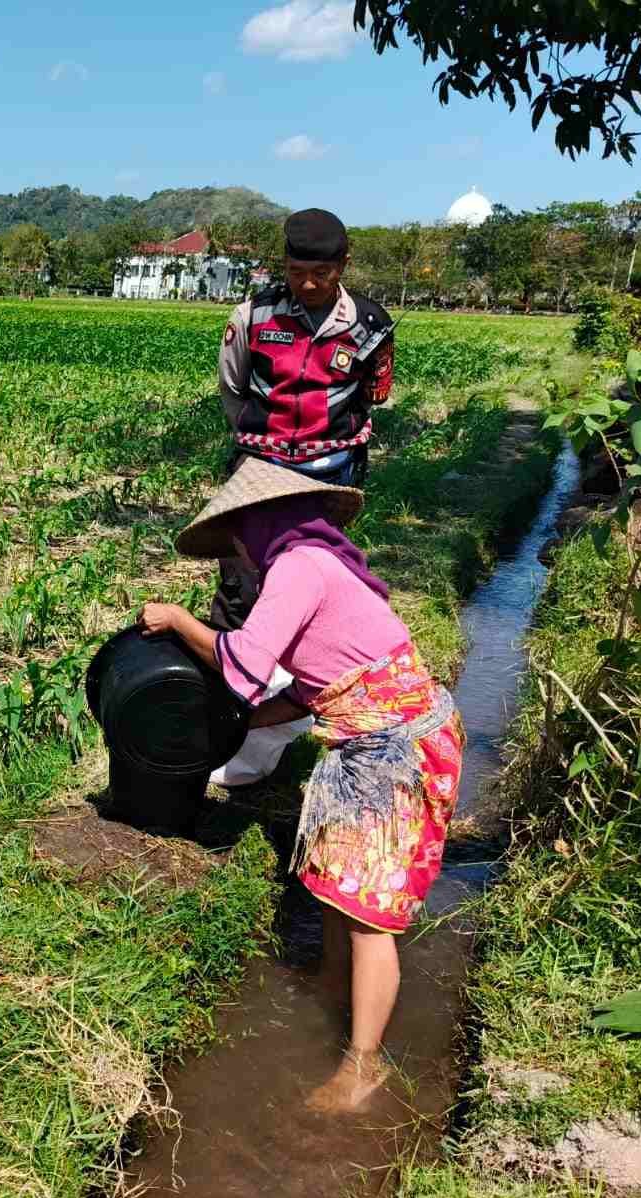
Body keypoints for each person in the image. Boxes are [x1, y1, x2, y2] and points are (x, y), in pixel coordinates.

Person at [139, 456, 464, 1113]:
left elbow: (243, 665)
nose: (235, 553)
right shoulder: (317, 561)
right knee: (338, 887)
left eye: (236, 537)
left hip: (398, 751)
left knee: (370, 911)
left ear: (259, 523)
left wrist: (177, 620)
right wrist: (243, 724)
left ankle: (362, 1069)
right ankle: (330, 991)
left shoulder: (296, 568)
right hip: (368, 739)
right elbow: (316, 684)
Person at [207, 208, 399, 783]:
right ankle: (230, 722)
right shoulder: (253, 315)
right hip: (261, 475)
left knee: (311, 593)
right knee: (241, 591)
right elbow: (233, 389)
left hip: (328, 478)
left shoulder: (371, 323)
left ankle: (282, 724)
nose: (308, 284)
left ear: (343, 265)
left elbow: (374, 393)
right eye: (296, 272)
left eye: (320, 273)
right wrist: (262, 447)